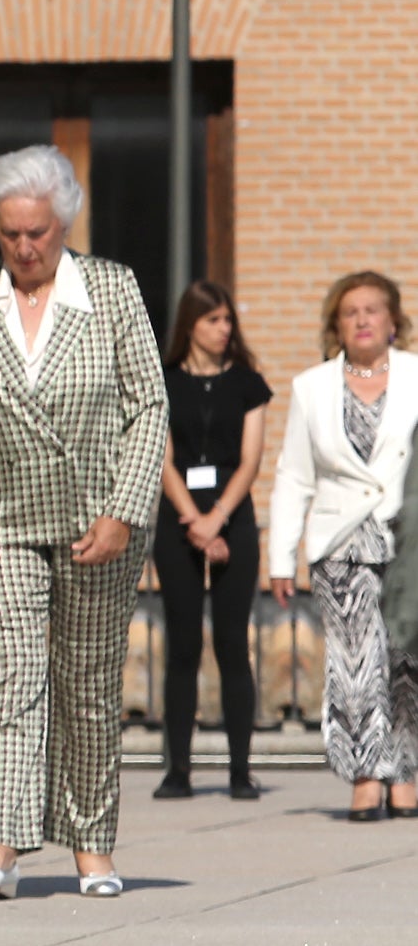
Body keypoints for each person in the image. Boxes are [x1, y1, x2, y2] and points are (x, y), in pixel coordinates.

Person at [0, 145, 166, 899]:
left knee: (89, 684)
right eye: (10, 234)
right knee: (8, 676)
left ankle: (92, 844)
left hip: (98, 520)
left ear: (64, 223)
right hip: (0, 523)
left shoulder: (112, 288)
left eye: (38, 232)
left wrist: (125, 511)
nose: (26, 248)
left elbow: (149, 406)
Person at [266, 272, 418, 821]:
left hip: (407, 540)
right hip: (341, 541)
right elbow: (294, 475)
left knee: (405, 658)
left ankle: (404, 772)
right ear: (336, 324)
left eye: (372, 310)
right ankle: (363, 774)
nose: (362, 320)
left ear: (393, 320)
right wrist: (281, 556)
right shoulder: (312, 387)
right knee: (354, 663)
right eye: (350, 312)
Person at [157, 281, 272, 802]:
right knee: (182, 644)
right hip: (178, 522)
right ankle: (178, 769)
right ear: (191, 326)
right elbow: (162, 459)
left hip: (234, 519)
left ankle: (240, 770)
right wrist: (194, 522)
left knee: (231, 643)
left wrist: (218, 518)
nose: (224, 329)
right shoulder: (164, 382)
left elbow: (250, 461)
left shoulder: (249, 384)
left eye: (228, 320)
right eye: (213, 321)